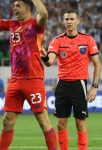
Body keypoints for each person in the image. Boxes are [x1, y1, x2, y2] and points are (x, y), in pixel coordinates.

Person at [0, 0, 57, 150]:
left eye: (18, 5)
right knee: (7, 121)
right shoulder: (12, 24)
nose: (14, 8)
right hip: (15, 80)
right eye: (14, 5)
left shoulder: (35, 25)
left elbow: (43, 13)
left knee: (43, 121)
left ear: (27, 8)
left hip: (33, 79)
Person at [41, 10, 101, 150]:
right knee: (61, 123)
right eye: (66, 19)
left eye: (72, 19)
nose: (69, 21)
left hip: (79, 84)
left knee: (80, 123)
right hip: (62, 84)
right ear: (63, 21)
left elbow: (97, 64)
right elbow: (49, 62)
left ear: (77, 21)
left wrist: (94, 87)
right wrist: (44, 55)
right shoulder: (57, 41)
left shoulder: (88, 39)